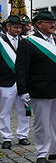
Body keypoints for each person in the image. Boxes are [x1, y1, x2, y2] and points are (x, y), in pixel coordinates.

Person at [13, 11, 56, 163]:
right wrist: (23, 90)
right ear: (38, 24)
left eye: (54, 21)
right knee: (42, 123)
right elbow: (21, 68)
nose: (53, 24)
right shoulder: (28, 42)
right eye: (48, 21)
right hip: (40, 88)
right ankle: (42, 153)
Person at [1, 15, 31, 148]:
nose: (19, 30)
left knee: (25, 110)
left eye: (20, 27)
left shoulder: (26, 41)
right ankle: (6, 137)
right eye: (16, 27)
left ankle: (23, 135)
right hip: (6, 81)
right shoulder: (1, 41)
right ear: (8, 27)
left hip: (24, 81)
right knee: (4, 112)